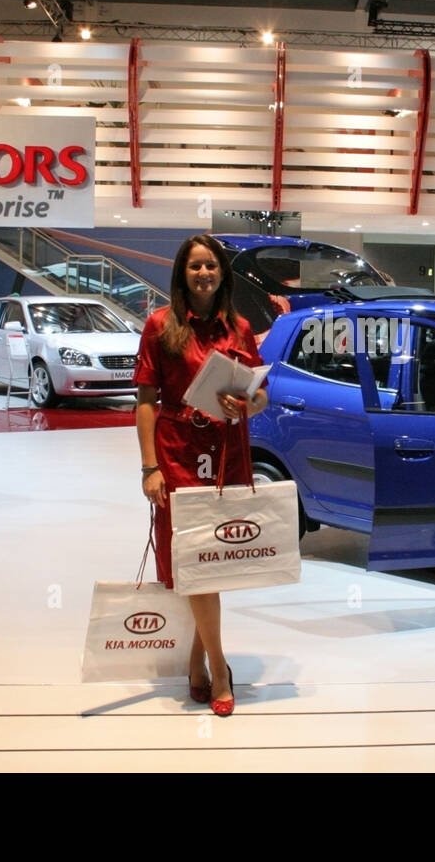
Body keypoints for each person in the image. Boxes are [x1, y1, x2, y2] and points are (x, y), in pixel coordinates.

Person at [134, 235, 268, 717]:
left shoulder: (241, 327)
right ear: (182, 274)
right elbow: (145, 402)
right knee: (189, 557)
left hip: (227, 452)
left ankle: (196, 660)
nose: (204, 273)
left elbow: (260, 394)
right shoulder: (159, 326)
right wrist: (150, 467)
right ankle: (219, 664)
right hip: (176, 453)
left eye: (211, 265)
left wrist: (248, 401)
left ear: (222, 274)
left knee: (213, 559)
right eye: (195, 266)